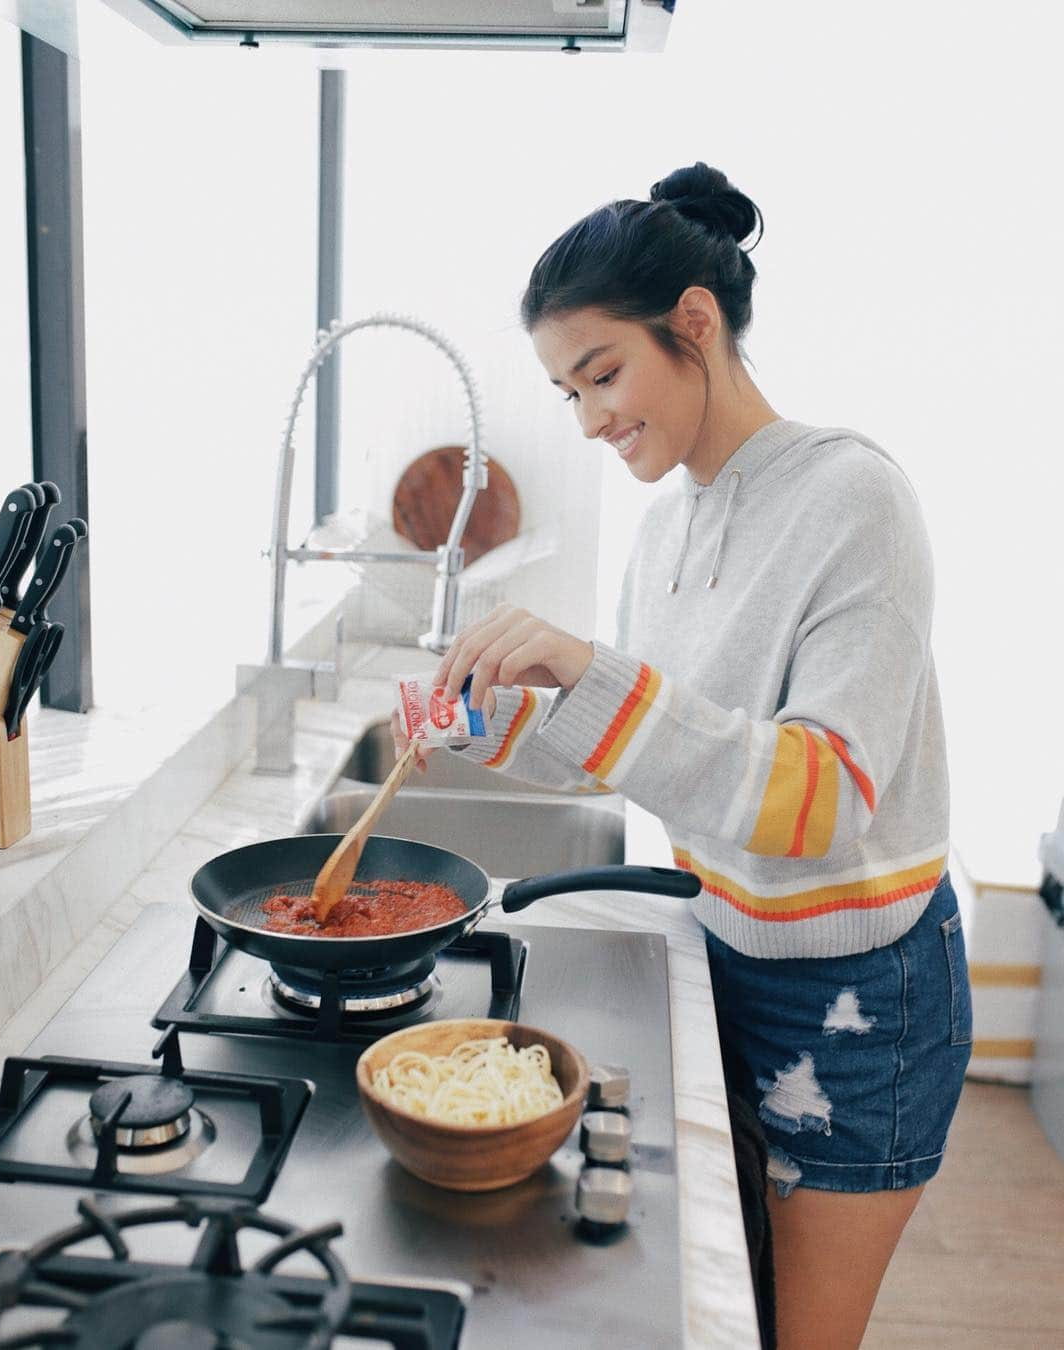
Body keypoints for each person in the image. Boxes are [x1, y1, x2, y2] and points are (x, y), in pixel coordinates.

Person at [392, 161, 972, 1350]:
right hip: (725, 957)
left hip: (857, 1000)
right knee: (726, 1303)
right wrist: (477, 718)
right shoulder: (668, 522)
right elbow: (652, 753)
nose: (593, 417)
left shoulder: (853, 498)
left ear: (694, 324)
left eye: (604, 373)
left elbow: (823, 799)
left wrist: (587, 666)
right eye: (569, 393)